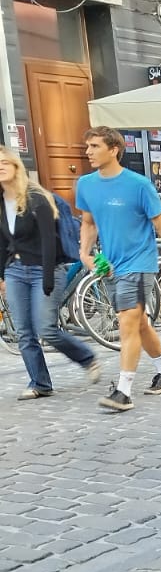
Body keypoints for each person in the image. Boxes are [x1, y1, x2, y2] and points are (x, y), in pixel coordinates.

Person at [75, 126, 161, 413]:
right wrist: (84, 253)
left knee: (127, 322)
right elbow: (89, 222)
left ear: (114, 149)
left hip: (139, 264)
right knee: (139, 323)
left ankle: (123, 391)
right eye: (87, 146)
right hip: (109, 266)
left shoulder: (139, 185)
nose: (88, 151)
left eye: (94, 146)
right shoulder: (86, 184)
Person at [0, 148, 99, 397]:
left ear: (16, 166)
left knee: (46, 329)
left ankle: (86, 358)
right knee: (24, 332)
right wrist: (1, 275)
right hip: (15, 271)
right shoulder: (1, 202)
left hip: (44, 270)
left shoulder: (36, 197)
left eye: (4, 162)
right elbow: (1, 243)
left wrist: (46, 278)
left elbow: (48, 241)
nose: (0, 167)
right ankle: (40, 383)